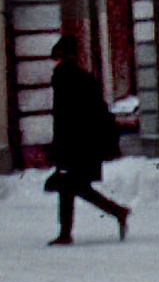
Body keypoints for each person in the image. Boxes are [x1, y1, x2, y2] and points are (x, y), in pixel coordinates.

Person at [46, 34, 129, 245]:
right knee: (72, 187)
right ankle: (115, 213)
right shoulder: (83, 77)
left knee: (73, 187)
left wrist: (58, 148)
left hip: (74, 144)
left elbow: (64, 120)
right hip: (85, 144)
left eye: (57, 58)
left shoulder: (64, 79)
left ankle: (115, 213)